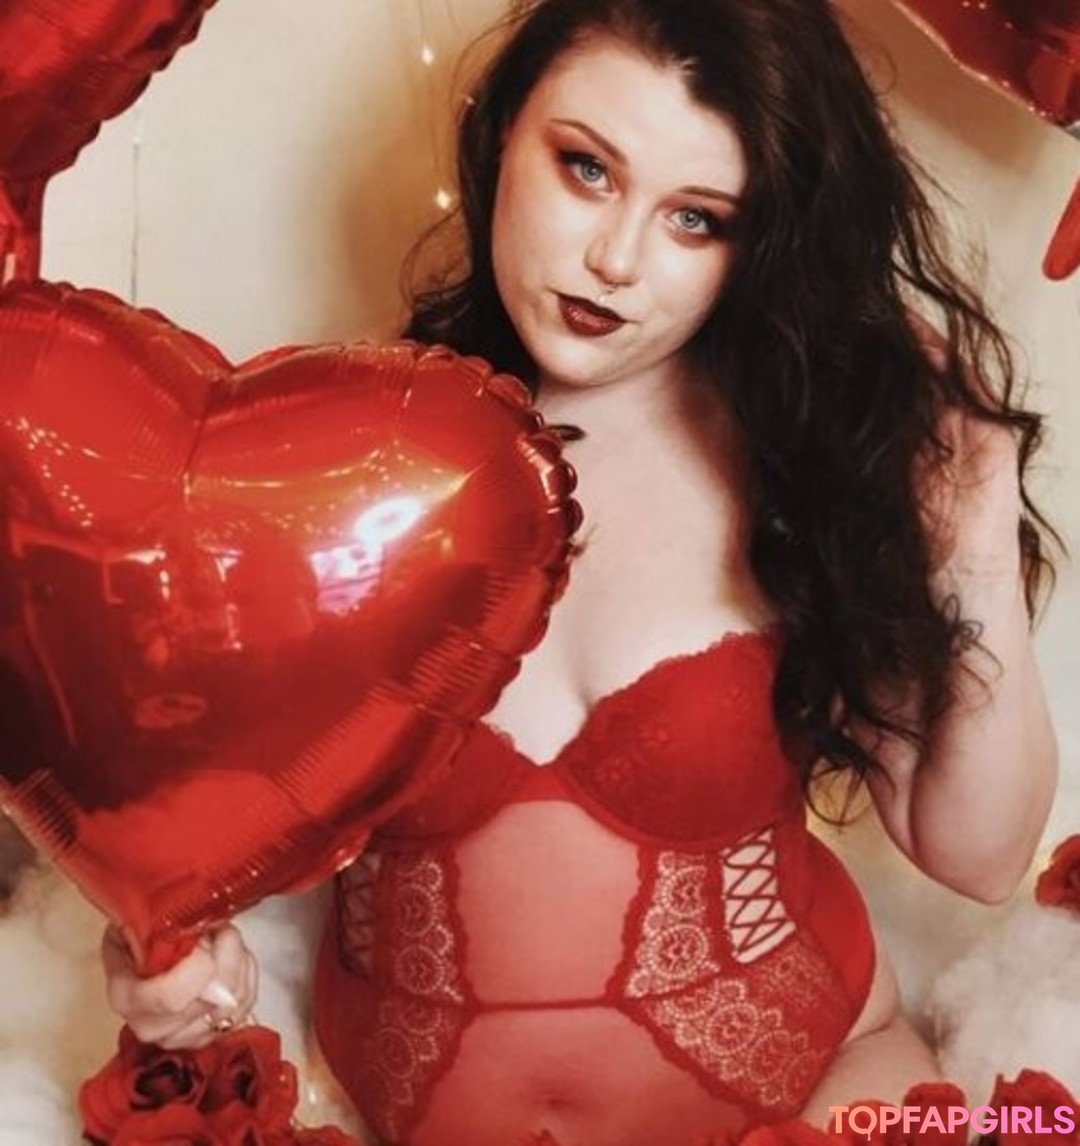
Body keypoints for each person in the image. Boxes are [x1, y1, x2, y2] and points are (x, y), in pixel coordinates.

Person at [101, 1, 1061, 1143]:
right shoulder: (330, 460)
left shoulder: (806, 459)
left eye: (696, 219)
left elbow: (981, 859)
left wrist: (973, 541)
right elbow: (201, 831)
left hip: (820, 1083)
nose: (616, 260)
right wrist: (167, 957)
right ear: (504, 130)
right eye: (587, 169)